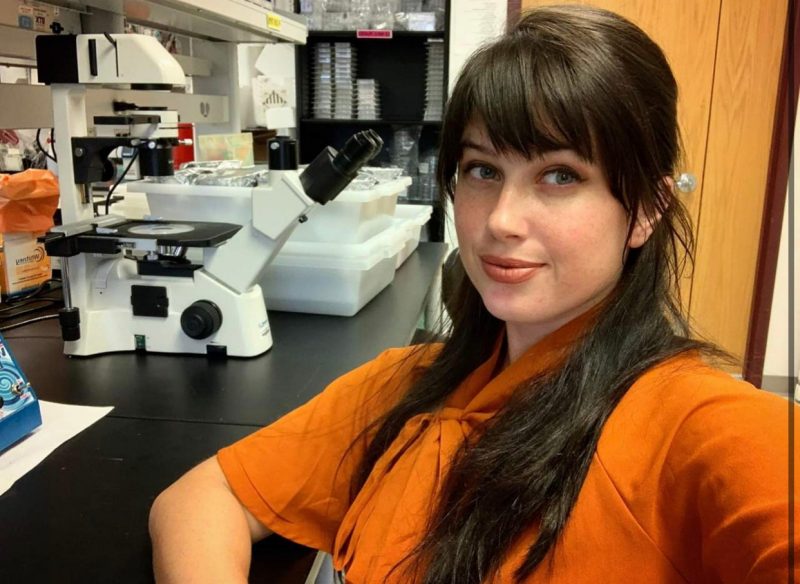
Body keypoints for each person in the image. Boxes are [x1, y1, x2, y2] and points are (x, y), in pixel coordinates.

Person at [149, 5, 798, 583]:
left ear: (648, 210)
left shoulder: (692, 424)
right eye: (483, 169)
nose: (501, 220)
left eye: (560, 175)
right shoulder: (407, 386)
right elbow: (199, 499)